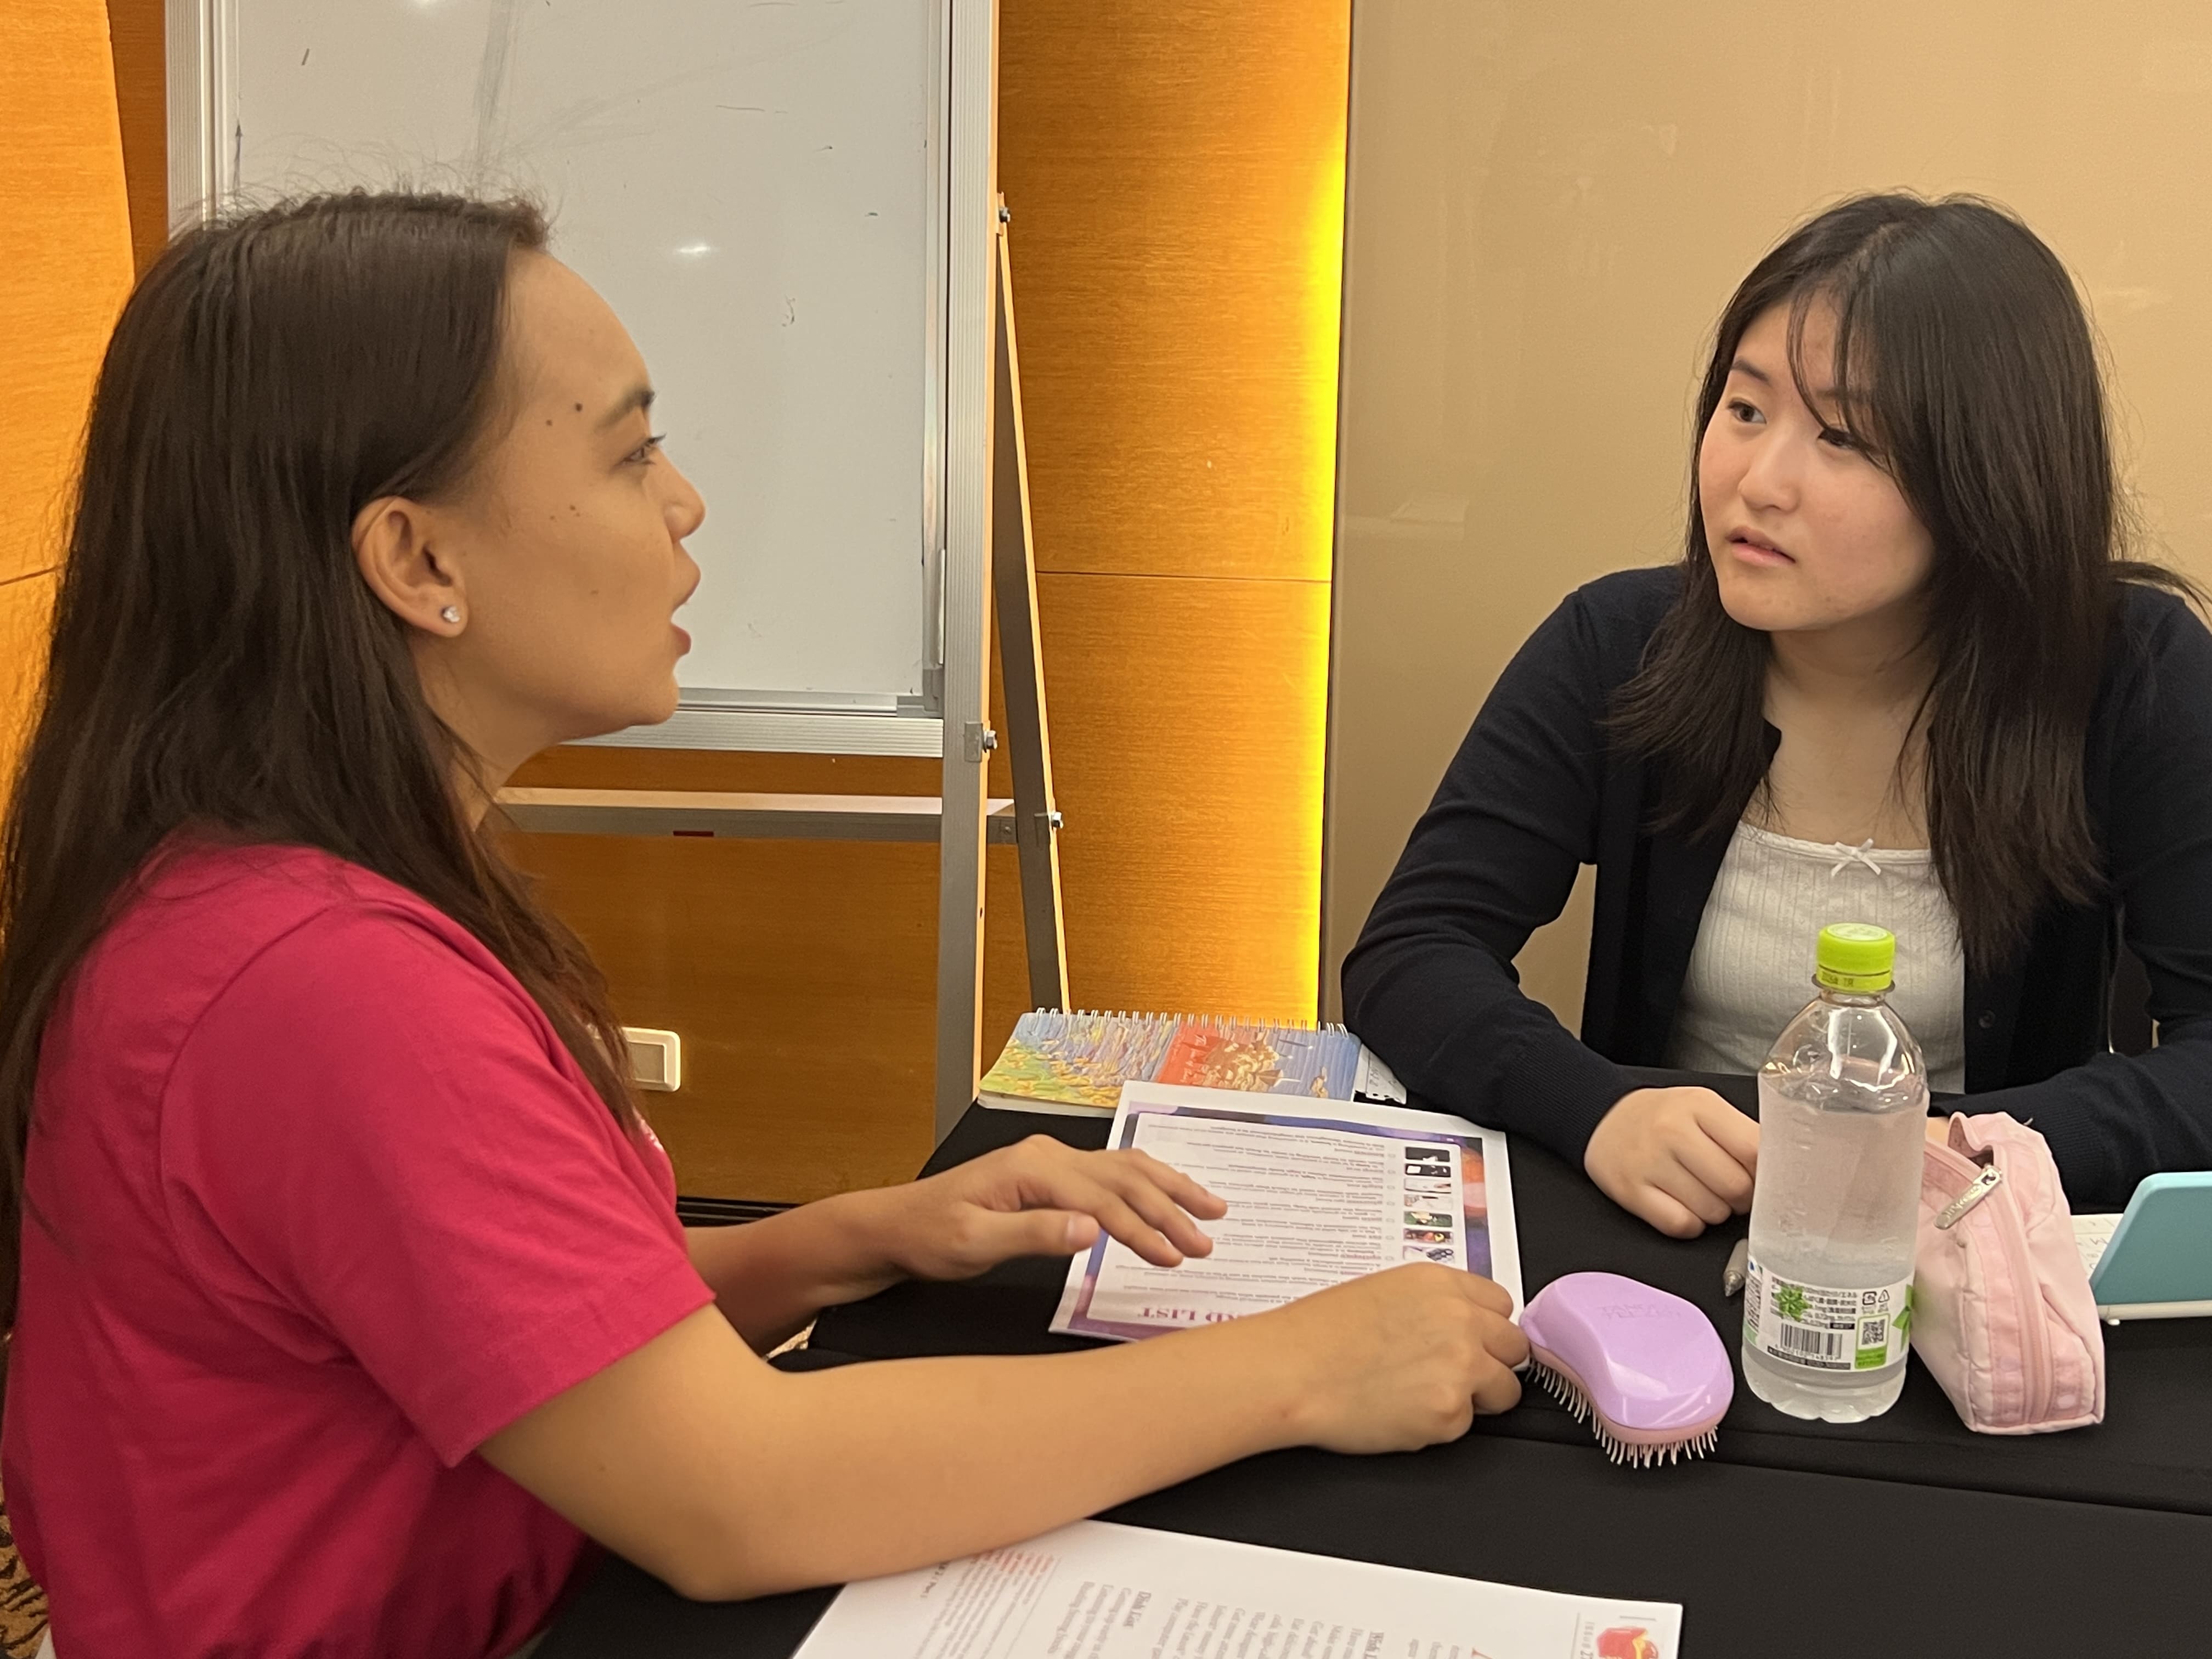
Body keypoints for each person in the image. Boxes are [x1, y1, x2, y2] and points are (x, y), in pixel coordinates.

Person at [0, 194, 1528, 1659]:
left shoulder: (260, 891)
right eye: (631, 453)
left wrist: (847, 1238)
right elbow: (737, 1493)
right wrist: (1298, 1367)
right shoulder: (321, 984)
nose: (684, 503)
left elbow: (510, 1334)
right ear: (418, 561)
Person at [1344, 193, 2212, 1238]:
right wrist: (1595, 1108)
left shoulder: (2131, 673)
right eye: (1746, 410)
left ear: (1989, 473)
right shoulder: (1619, 644)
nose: (1758, 481)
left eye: (1842, 436)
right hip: (1667, 1243)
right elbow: (1414, 951)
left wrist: (1950, 1150)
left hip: (1965, 1253)